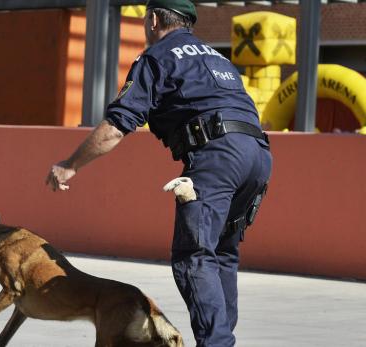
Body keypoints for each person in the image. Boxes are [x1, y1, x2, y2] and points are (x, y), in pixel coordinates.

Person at [45, 1, 272, 346]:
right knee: (222, 252)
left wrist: (70, 164)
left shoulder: (157, 56)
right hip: (257, 155)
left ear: (152, 19)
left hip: (216, 156)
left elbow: (116, 127)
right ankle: (223, 339)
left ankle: (217, 344)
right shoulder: (218, 58)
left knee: (194, 255)